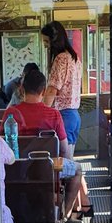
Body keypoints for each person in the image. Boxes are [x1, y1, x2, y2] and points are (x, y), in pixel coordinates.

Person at [1, 67, 91, 223]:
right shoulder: (53, 114)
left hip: (16, 170)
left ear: (21, 89)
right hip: (50, 169)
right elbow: (63, 149)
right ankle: (63, 217)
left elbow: (2, 144)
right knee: (77, 170)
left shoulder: (11, 114)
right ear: (43, 91)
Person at [40, 21, 82, 152]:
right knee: (70, 162)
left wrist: (41, 111)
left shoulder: (61, 59)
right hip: (74, 115)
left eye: (47, 42)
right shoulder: (75, 58)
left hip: (63, 116)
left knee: (63, 164)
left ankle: (78, 172)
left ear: (54, 41)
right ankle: (78, 172)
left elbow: (53, 89)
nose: (46, 46)